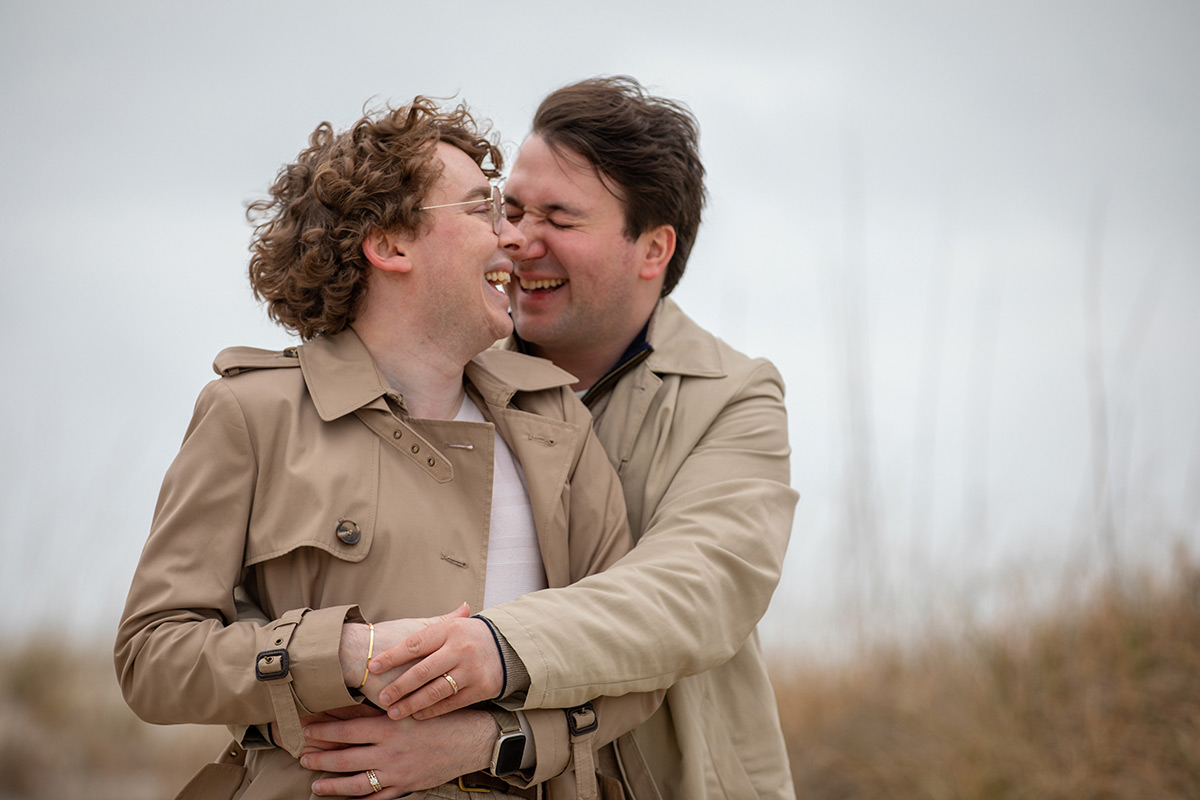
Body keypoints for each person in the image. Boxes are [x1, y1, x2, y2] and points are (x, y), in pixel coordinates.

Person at [113, 97, 651, 800]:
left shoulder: (555, 421)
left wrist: (491, 742)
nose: (513, 238)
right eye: (482, 210)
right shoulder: (251, 413)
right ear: (391, 246)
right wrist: (339, 655)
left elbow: (631, 660)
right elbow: (153, 658)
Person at [305, 77, 799, 799]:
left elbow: (693, 592)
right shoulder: (438, 376)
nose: (517, 241)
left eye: (560, 219)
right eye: (511, 210)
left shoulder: (735, 395)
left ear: (653, 248)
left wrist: (497, 660)